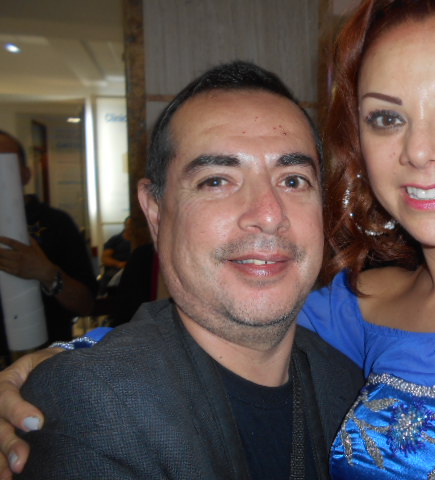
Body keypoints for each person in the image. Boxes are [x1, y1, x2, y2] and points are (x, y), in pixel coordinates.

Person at [1, 0, 435, 477]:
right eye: (386, 118)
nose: (419, 151)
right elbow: (215, 317)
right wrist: (49, 367)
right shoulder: (360, 307)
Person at [4, 61, 363, 479]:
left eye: (294, 180)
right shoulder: (91, 405)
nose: (269, 215)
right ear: (155, 213)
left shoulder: (350, 386)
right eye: (217, 181)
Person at [0, 131, 96, 356]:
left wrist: (46, 273)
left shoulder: (55, 223)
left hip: (44, 358)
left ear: (25, 173)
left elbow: (86, 304)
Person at [97, 216, 133, 295]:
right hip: (116, 270)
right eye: (129, 225)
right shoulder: (115, 240)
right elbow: (105, 258)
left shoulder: (143, 241)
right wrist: (119, 264)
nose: (131, 227)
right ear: (125, 224)